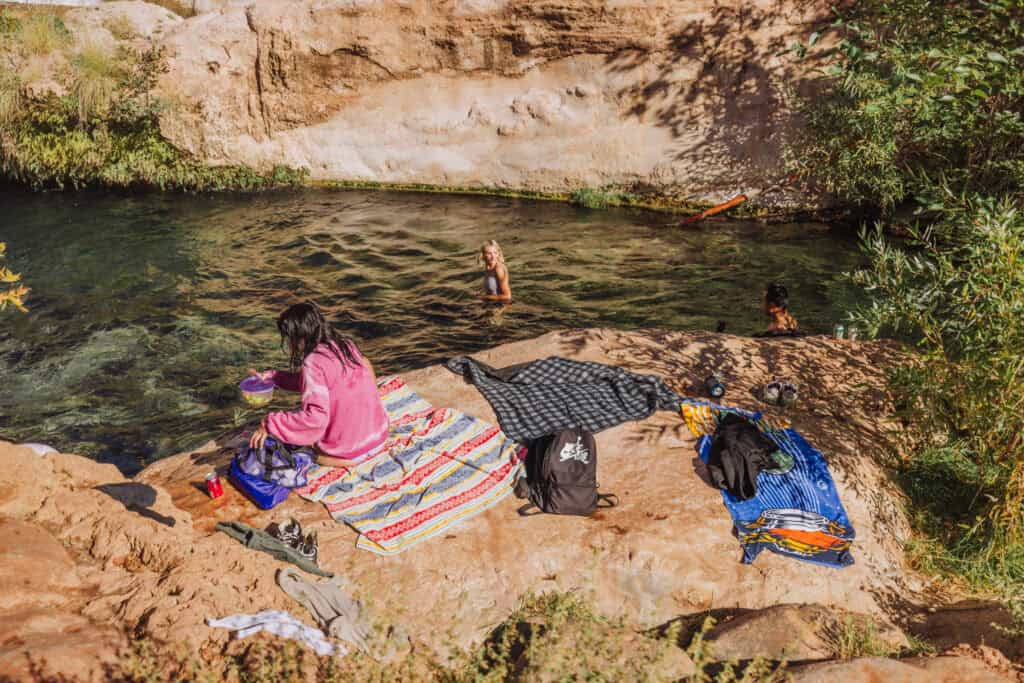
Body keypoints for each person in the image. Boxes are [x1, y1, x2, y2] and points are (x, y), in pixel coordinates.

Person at [248, 302, 389, 466]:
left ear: (298, 337)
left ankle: (328, 458)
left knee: (299, 444)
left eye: (288, 339)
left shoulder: (312, 362)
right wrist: (274, 377)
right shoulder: (345, 345)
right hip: (379, 437)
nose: (288, 344)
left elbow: (315, 420)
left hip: (350, 452)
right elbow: (318, 382)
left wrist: (269, 423)